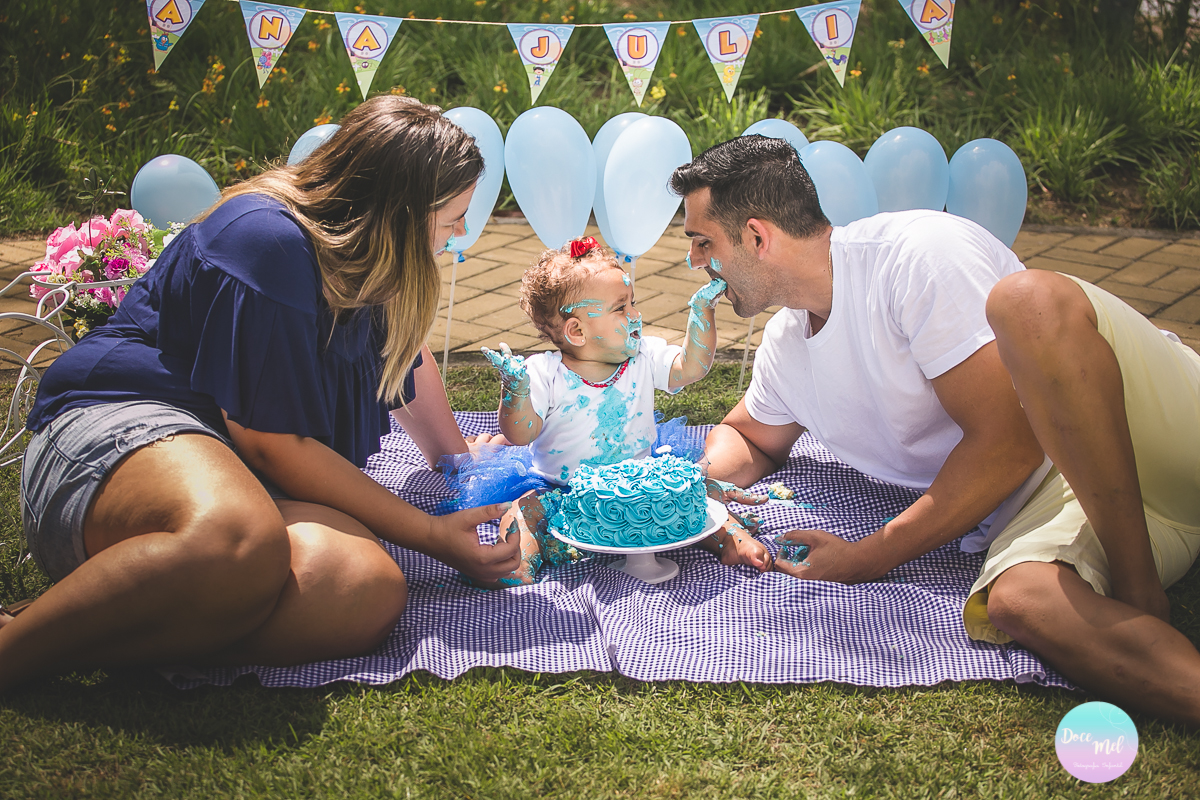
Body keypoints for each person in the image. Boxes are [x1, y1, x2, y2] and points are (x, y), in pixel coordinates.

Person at [673, 134, 1200, 725]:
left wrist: (872, 555)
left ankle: (1139, 589)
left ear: (755, 235)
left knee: (1028, 301)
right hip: (1059, 505)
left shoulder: (915, 254)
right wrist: (685, 490)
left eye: (701, 241)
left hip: (1152, 427)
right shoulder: (788, 344)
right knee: (1020, 603)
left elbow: (1011, 441)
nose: (694, 262)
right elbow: (750, 437)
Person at [0, 96, 520, 691]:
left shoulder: (368, 259)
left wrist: (456, 463)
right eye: (454, 218)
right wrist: (429, 535)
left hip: (233, 478)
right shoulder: (266, 239)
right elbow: (274, 443)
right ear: (400, 212)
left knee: (363, 587)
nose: (460, 238)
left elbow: (403, 355)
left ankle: (115, 618)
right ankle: (16, 649)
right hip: (117, 435)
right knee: (238, 538)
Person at [466, 236, 769, 584]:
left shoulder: (643, 357)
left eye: (633, 303)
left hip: (640, 487)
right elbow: (520, 434)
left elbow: (691, 367)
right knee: (522, 513)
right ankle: (517, 564)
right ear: (577, 331)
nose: (636, 315)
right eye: (621, 308)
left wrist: (702, 312)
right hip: (562, 490)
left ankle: (732, 540)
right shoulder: (544, 373)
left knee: (695, 498)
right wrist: (514, 391)